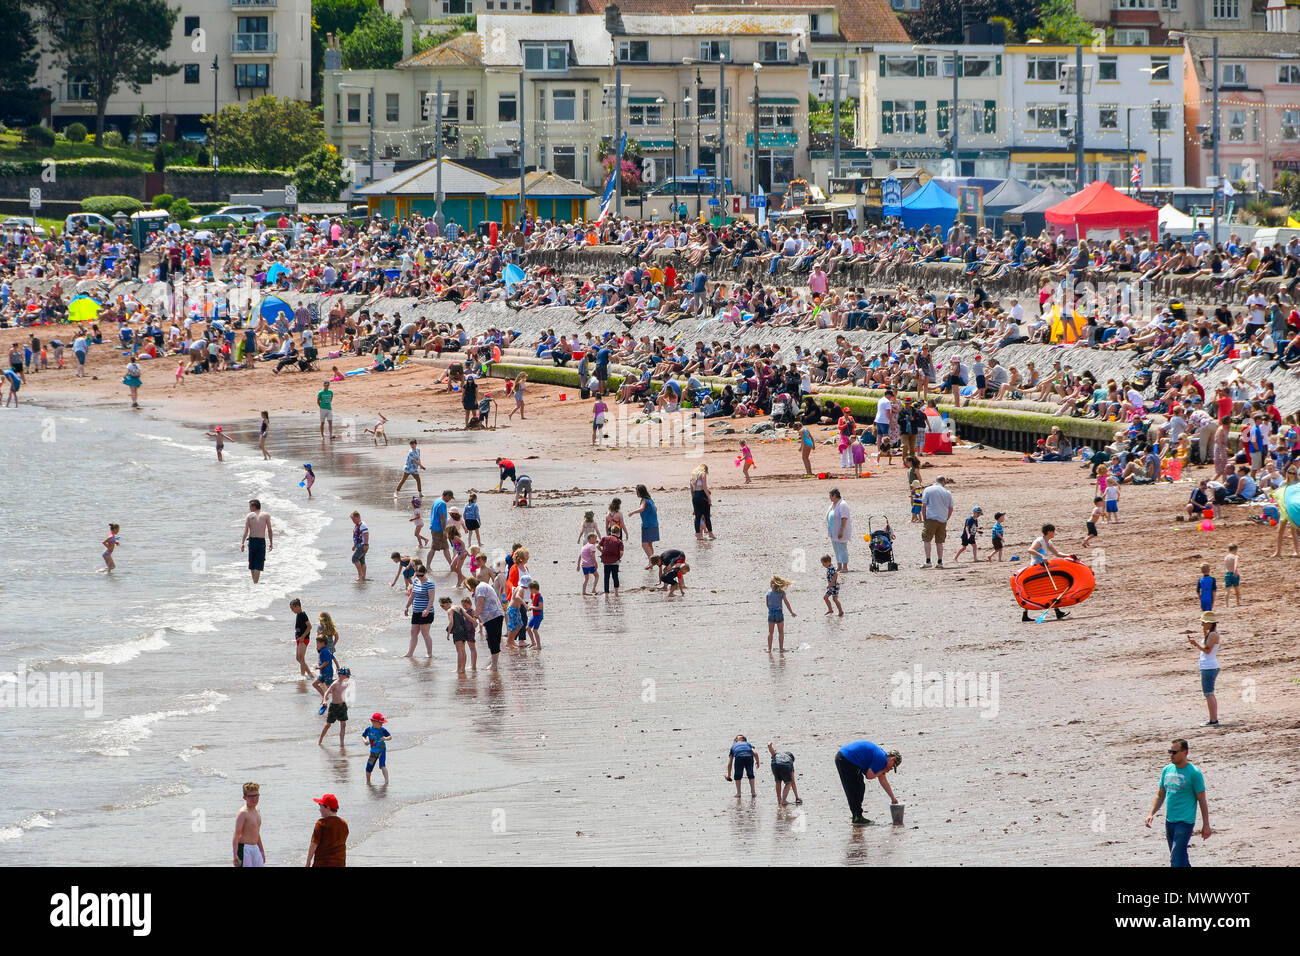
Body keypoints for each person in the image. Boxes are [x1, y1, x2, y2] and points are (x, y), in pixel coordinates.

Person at [1144, 738, 1211, 867]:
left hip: (1185, 823)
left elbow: (1202, 800)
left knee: (1176, 860)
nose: (1171, 755)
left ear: (1185, 752)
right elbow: (1160, 794)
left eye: (1174, 752)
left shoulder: (1194, 773)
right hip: (1170, 822)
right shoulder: (1167, 770)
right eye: (1170, 751)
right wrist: (1151, 813)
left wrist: (1206, 825)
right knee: (1181, 858)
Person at [835, 740, 902, 826]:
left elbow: (883, 781)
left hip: (844, 757)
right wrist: (883, 770)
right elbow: (869, 775)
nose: (890, 769)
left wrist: (893, 798)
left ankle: (857, 816)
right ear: (892, 759)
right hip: (847, 759)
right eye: (893, 766)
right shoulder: (881, 758)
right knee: (856, 788)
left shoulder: (881, 758)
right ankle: (857, 817)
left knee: (855, 788)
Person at [1025, 523, 1075, 622]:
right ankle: (1025, 614)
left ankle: (1057, 611)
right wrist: (1041, 556)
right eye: (1053, 531)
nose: (1054, 533)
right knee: (1033, 590)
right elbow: (1030, 550)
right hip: (1035, 568)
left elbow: (1057, 554)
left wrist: (1069, 555)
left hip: (1043, 568)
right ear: (1049, 532)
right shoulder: (1040, 541)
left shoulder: (1049, 542)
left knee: (1051, 589)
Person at [1188, 612, 1221, 726]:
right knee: (1209, 693)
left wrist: (1195, 644)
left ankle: (1213, 719)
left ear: (1208, 623)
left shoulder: (1213, 635)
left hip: (1209, 667)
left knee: (1209, 693)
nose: (1202, 625)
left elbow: (1207, 650)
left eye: (1203, 623)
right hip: (1208, 666)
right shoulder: (1211, 634)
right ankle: (1213, 719)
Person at [473, 570, 506, 671]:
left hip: (493, 616)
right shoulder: (483, 586)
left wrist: (473, 618)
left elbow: (480, 605)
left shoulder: (480, 588)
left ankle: (494, 665)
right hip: (495, 615)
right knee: (491, 638)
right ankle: (493, 661)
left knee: (493, 639)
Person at [920, 476, 955, 569]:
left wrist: (924, 518)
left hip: (931, 518)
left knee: (927, 539)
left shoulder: (928, 490)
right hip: (942, 519)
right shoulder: (947, 492)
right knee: (939, 542)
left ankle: (928, 560)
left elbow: (923, 505)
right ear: (943, 482)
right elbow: (951, 508)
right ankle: (940, 561)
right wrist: (946, 518)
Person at [306, 794, 348, 867]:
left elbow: (314, 844)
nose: (319, 809)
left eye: (321, 806)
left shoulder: (321, 823)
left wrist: (308, 862)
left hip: (322, 863)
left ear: (327, 808)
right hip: (340, 863)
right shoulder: (343, 824)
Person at [440, 595, 478, 675]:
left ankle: (459, 669)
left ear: (447, 603)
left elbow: (451, 622)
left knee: (459, 651)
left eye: (442, 606)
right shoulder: (458, 607)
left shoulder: (450, 610)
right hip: (464, 630)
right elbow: (468, 617)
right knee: (463, 650)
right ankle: (462, 669)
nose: (442, 608)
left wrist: (448, 633)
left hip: (457, 631)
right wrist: (474, 622)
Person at [404, 565, 435, 658]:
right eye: (417, 575)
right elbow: (412, 595)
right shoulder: (416, 581)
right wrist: (407, 607)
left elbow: (431, 599)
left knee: (425, 632)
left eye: (421, 575)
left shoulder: (429, 583)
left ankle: (429, 653)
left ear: (425, 573)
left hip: (426, 612)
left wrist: (427, 609)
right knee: (413, 632)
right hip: (416, 611)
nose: (419, 577)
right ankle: (410, 653)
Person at [232, 782, 265, 868]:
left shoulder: (257, 811)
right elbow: (236, 834)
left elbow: (257, 832)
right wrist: (235, 854)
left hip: (255, 848)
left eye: (256, 795)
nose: (254, 799)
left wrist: (261, 850)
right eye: (251, 796)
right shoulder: (243, 813)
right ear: (245, 797)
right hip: (244, 849)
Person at [241, 499, 272, 583]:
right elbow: (269, 530)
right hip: (261, 541)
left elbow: (246, 531)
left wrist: (242, 543)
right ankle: (255, 583)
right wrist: (271, 543)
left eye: (250, 506)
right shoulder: (266, 515)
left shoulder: (249, 516)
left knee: (252, 564)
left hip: (252, 541)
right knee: (258, 564)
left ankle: (254, 583)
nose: (249, 508)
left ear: (254, 506)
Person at [317, 666, 349, 746]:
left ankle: (342, 743)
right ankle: (320, 740)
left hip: (342, 706)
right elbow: (327, 692)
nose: (348, 677)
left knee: (343, 725)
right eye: (347, 676)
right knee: (328, 725)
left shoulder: (346, 684)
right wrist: (324, 700)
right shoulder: (335, 684)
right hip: (334, 707)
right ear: (340, 675)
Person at [630, 484, 659, 567]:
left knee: (644, 545)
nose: (636, 493)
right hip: (654, 524)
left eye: (637, 492)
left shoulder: (644, 500)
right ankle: (652, 562)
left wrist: (632, 512)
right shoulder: (650, 499)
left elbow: (642, 509)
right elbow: (655, 509)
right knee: (650, 545)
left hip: (647, 525)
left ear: (640, 492)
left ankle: (651, 561)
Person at [766, 575, 796, 653]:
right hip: (779, 613)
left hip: (771, 614)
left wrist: (771, 610)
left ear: (772, 583)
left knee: (770, 633)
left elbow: (767, 604)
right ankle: (781, 648)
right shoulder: (781, 593)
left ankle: (769, 649)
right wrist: (791, 612)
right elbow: (786, 603)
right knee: (781, 632)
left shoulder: (768, 593)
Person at [725, 734, 760, 799]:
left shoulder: (733, 746)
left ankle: (739, 793)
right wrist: (757, 761)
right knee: (750, 774)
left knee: (738, 776)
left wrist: (729, 775)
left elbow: (730, 762)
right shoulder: (748, 744)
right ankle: (753, 792)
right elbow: (755, 753)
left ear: (736, 740)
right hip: (749, 756)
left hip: (739, 757)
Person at [826, 488, 852, 571]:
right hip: (833, 531)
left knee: (842, 548)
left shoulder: (842, 504)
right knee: (836, 549)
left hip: (840, 531)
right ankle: (839, 566)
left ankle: (845, 567)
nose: (829, 498)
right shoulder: (833, 504)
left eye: (830, 496)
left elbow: (844, 518)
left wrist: (841, 530)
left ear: (834, 496)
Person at [427, 490, 454, 569]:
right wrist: (444, 531)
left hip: (435, 527)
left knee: (445, 547)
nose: (450, 500)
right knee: (433, 548)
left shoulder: (437, 501)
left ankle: (451, 565)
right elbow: (442, 518)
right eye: (450, 498)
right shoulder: (442, 504)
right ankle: (428, 566)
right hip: (439, 529)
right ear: (447, 495)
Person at [362, 713, 392, 785]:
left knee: (382, 765)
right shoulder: (369, 730)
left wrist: (385, 738)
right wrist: (365, 741)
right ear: (373, 722)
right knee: (368, 767)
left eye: (382, 723)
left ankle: (386, 781)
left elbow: (390, 737)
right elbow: (363, 736)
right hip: (373, 752)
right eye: (380, 723)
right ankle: (368, 782)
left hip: (382, 750)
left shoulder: (382, 730)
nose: (382, 725)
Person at [690, 464, 715, 540]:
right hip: (702, 495)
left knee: (697, 517)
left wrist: (693, 498)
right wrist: (709, 497)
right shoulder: (702, 473)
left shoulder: (693, 475)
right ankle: (710, 533)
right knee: (707, 516)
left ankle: (698, 535)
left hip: (695, 496)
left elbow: (691, 489)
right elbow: (704, 486)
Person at [290, 598, 313, 677]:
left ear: (297, 607)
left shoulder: (303, 614)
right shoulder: (298, 615)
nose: (292, 610)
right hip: (299, 639)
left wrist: (303, 636)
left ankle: (302, 676)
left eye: (292, 608)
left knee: (301, 658)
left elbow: (309, 626)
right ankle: (310, 674)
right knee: (298, 658)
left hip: (304, 638)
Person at [600, 526, 624, 595]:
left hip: (606, 561)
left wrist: (602, 551)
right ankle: (616, 592)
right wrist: (618, 558)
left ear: (610, 532)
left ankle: (606, 594)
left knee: (606, 577)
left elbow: (598, 546)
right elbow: (621, 553)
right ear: (619, 533)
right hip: (615, 562)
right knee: (615, 576)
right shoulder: (619, 541)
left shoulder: (605, 538)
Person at [350, 511, 369, 582]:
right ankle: (363, 576)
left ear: (358, 517)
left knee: (354, 558)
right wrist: (354, 545)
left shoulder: (363, 525)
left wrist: (366, 544)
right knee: (361, 561)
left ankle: (360, 575)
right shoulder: (357, 525)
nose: (353, 521)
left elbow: (366, 535)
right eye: (352, 520)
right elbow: (356, 536)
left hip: (363, 545)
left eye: (354, 519)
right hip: (359, 545)